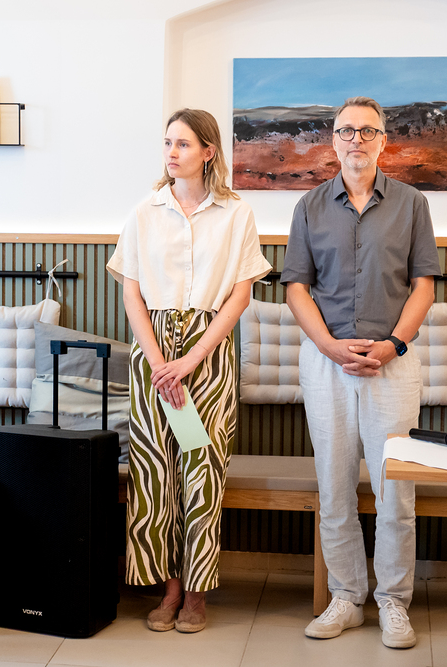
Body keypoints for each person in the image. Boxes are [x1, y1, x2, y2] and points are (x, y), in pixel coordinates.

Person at [281, 97, 440, 649]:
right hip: (325, 364)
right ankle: (347, 597)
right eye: (346, 130)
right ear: (333, 139)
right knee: (335, 487)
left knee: (396, 490)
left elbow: (424, 284)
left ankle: (394, 601)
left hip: (391, 365)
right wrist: (328, 346)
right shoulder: (308, 206)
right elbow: (296, 287)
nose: (356, 139)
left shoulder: (412, 203)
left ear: (383, 141)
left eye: (367, 131)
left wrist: (394, 344)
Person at [107, 108, 272, 634]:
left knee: (202, 471)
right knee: (155, 473)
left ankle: (197, 593)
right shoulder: (145, 211)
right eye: (167, 143)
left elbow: (239, 295)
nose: (171, 152)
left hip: (208, 354)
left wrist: (191, 358)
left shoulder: (237, 213)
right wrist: (160, 363)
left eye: (182, 143)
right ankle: (169, 588)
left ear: (208, 152)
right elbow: (132, 293)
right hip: (153, 356)